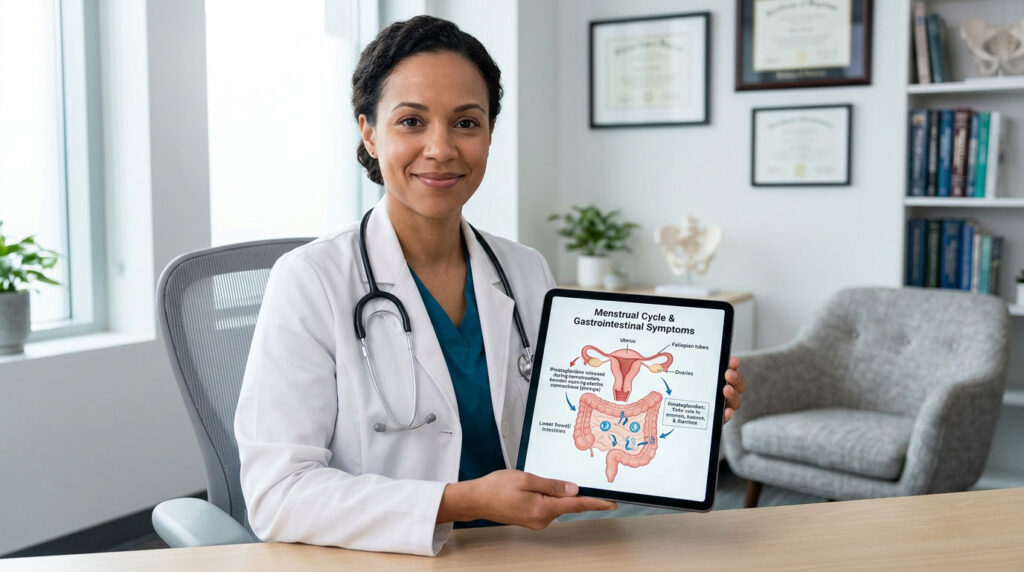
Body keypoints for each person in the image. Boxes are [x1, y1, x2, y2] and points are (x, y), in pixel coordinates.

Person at [235, 15, 746, 557]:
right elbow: (277, 495)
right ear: (368, 131)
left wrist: (680, 412)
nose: (440, 148)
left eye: (466, 123)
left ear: (489, 133)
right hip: (382, 557)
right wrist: (455, 501)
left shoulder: (525, 271)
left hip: (522, 550)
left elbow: (567, 432)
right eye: (411, 121)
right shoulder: (310, 281)